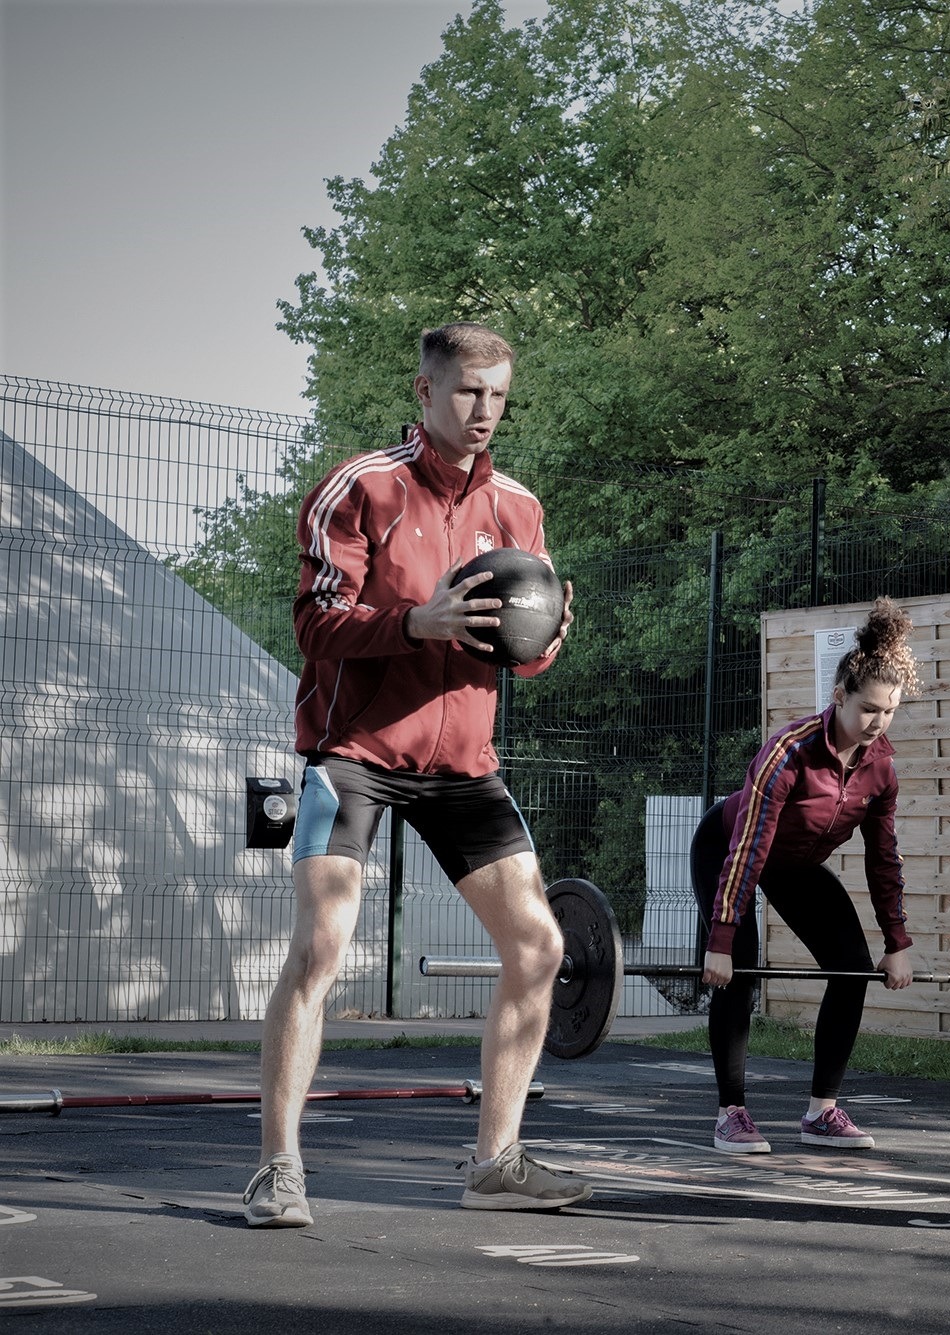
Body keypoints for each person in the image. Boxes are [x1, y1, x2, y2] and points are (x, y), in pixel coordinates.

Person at [244, 322, 588, 1227]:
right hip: (354, 754)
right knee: (321, 948)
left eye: (499, 396)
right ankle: (278, 1168)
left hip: (462, 764)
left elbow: (524, 653)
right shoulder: (360, 489)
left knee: (540, 947)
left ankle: (495, 1159)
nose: (485, 412)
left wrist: (548, 637)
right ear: (426, 391)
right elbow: (317, 625)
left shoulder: (518, 506)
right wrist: (412, 624)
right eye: (469, 392)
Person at [692, 597, 922, 1154]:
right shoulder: (789, 754)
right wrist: (721, 941)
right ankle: (732, 1114)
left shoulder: (881, 768)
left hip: (794, 866)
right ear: (839, 695)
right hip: (728, 848)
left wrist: (897, 943)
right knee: (740, 971)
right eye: (869, 709)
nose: (878, 723)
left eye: (889, 711)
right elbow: (748, 849)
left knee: (850, 968)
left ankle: (822, 1111)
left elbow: (882, 860)